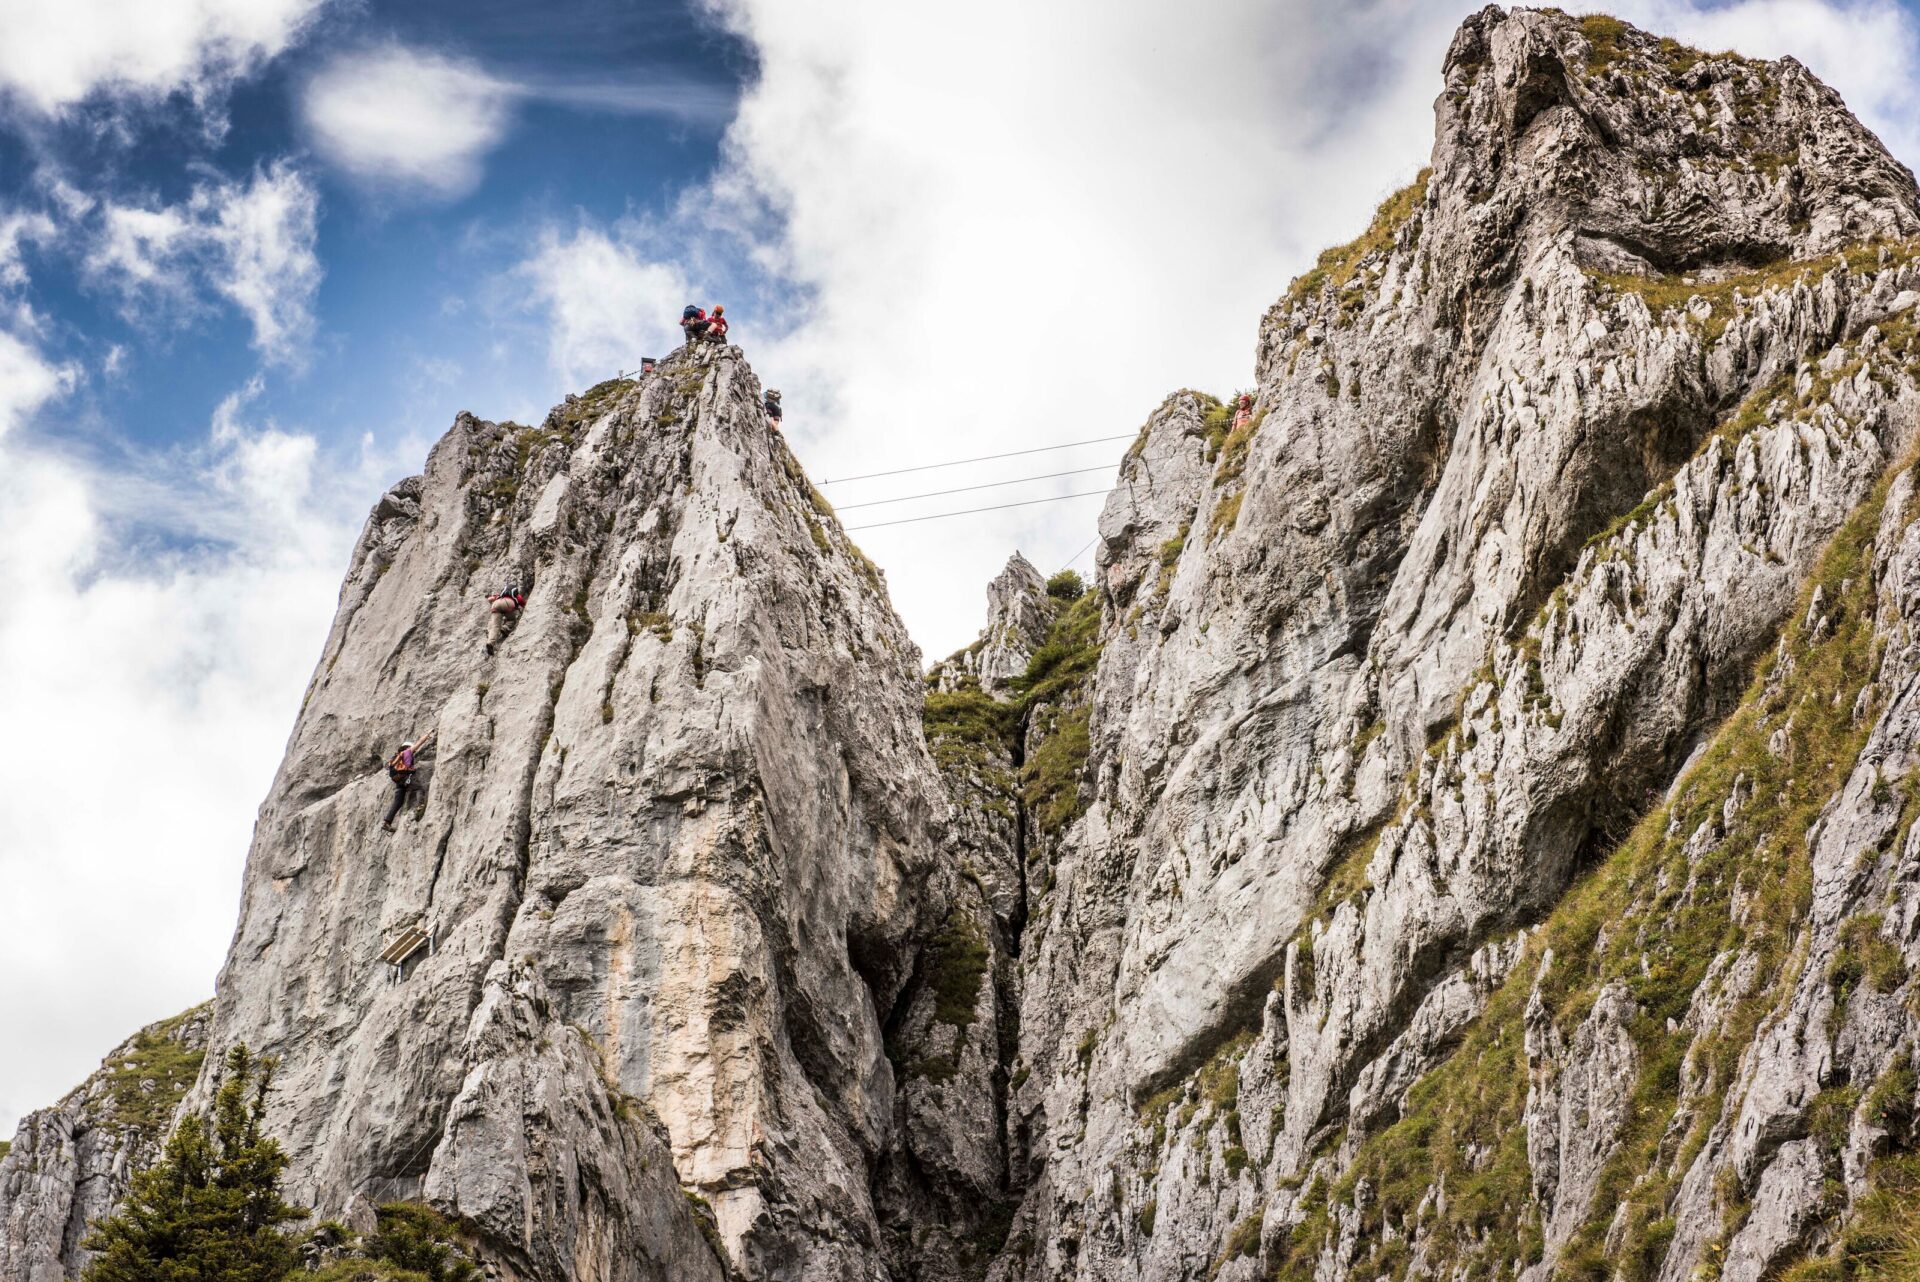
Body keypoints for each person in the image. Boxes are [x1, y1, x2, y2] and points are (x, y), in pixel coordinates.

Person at [382, 742, 417, 831]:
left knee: (398, 802)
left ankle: (387, 822)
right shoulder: (405, 754)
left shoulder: (397, 757)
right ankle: (420, 806)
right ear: (407, 747)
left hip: (399, 781)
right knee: (419, 788)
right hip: (403, 779)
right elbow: (406, 769)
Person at [486, 582, 525, 655]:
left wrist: (493, 604)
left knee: (495, 626)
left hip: (496, 604)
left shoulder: (500, 595)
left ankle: (490, 643)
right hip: (508, 603)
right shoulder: (517, 596)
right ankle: (505, 628)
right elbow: (524, 604)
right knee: (511, 620)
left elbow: (489, 599)